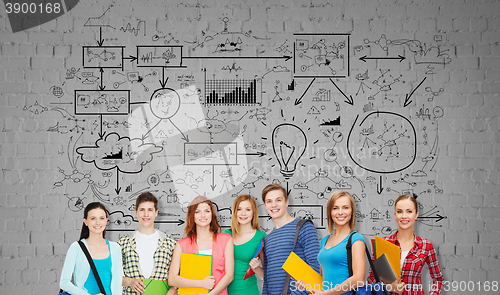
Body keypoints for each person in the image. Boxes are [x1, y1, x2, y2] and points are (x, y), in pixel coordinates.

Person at [368, 194, 444, 295]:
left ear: (416, 215)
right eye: (399, 211)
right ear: (395, 215)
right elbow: (371, 281)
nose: (404, 216)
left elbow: (438, 279)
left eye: (409, 211)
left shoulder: (426, 246)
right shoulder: (382, 243)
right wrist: (389, 287)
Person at [298, 190, 366, 294]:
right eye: (335, 208)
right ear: (330, 212)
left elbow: (358, 279)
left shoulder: (356, 239)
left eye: (345, 207)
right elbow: (321, 280)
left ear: (352, 211)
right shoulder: (324, 241)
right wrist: (305, 284)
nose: (340, 212)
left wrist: (326, 294)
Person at [261, 183, 321, 295]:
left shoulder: (304, 227)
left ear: (287, 202)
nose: (274, 205)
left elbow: (315, 267)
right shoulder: (267, 239)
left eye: (278, 200)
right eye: (269, 201)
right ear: (265, 205)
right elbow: (267, 278)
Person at [168, 195, 234, 295]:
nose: (203, 215)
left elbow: (229, 276)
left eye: (207, 211)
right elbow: (172, 279)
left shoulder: (226, 239)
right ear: (192, 215)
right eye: (197, 211)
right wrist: (201, 283)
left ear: (212, 214)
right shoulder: (182, 245)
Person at [118, 192, 177, 295]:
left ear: (156, 212)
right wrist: (130, 282)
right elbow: (112, 276)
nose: (146, 214)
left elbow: (177, 280)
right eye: (142, 210)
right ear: (135, 212)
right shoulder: (123, 243)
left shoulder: (170, 244)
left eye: (150, 210)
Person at [60, 202, 123, 295]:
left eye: (101, 218)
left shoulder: (115, 248)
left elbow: (117, 283)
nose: (98, 222)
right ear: (85, 221)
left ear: (106, 220)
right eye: (93, 218)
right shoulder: (76, 248)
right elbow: (64, 283)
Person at [223, 194, 266, 295]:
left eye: (248, 209)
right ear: (234, 212)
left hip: (248, 291)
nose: (243, 213)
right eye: (239, 209)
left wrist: (256, 268)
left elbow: (265, 276)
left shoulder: (261, 237)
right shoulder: (225, 235)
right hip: (223, 291)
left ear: (253, 212)